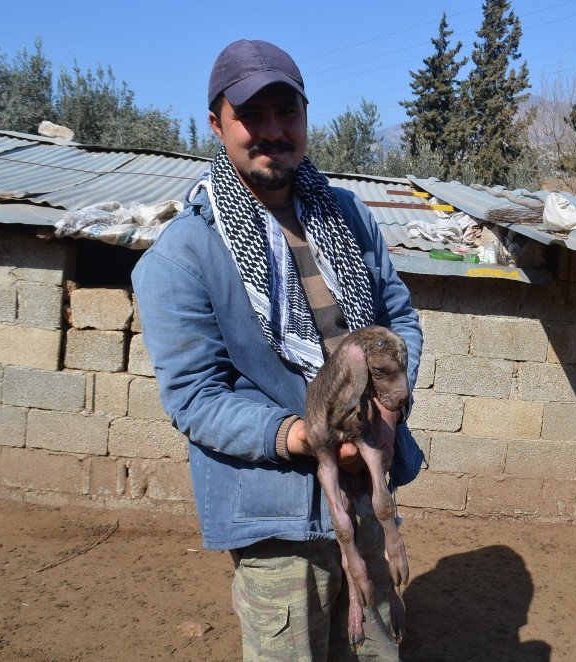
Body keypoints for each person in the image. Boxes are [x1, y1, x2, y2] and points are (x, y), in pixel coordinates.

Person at [131, 39, 423, 661]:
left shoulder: (347, 216)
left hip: (369, 496)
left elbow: (398, 320)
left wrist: (389, 415)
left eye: (285, 112)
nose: (271, 131)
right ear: (217, 123)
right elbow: (196, 396)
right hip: (276, 516)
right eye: (250, 116)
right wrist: (303, 436)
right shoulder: (183, 254)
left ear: (306, 117)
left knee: (376, 651)